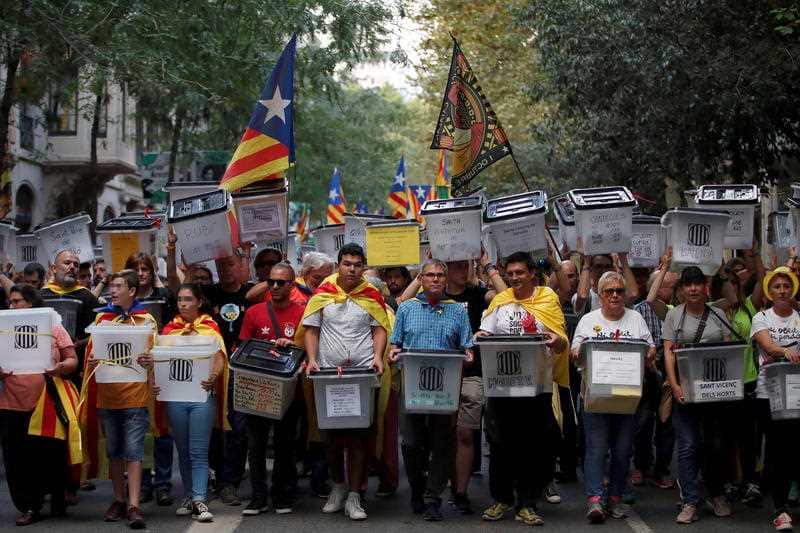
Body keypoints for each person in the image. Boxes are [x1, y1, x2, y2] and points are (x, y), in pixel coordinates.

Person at [476, 251, 570, 526]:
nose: (515, 278)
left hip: (536, 386)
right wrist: (481, 335)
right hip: (502, 386)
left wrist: (556, 340)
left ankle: (527, 504)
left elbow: (561, 340)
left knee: (533, 446)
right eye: (510, 274)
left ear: (531, 273)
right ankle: (501, 499)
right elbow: (484, 332)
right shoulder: (500, 301)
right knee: (500, 444)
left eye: (520, 273)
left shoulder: (547, 298)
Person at [299, 243, 390, 521]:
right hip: (328, 375)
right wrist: (311, 359)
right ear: (339, 265)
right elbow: (311, 330)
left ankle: (354, 495)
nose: (352, 269)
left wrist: (378, 357)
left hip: (362, 374)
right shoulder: (323, 294)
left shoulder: (371, 294)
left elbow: (379, 329)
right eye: (347, 264)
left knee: (359, 437)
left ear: (363, 267)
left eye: (357, 264)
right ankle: (337, 487)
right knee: (332, 437)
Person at [389, 259, 474, 521]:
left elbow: (467, 346)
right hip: (413, 386)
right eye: (430, 275)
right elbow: (395, 343)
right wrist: (393, 353)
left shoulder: (457, 310)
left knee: (442, 443)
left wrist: (468, 355)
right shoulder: (407, 308)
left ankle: (432, 497)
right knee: (411, 442)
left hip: (444, 388)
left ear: (446, 280)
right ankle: (417, 488)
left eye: (440, 275)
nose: (435, 279)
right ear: (421, 280)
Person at [572, 271, 656, 523]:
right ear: (600, 295)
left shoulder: (636, 319)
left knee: (622, 451)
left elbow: (651, 348)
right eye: (609, 291)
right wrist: (579, 352)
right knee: (596, 449)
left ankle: (616, 498)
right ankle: (595, 500)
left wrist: (649, 354)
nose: (615, 295)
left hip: (627, 397)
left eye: (619, 291)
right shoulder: (588, 320)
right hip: (595, 397)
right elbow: (575, 352)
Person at [81, 270, 158, 529]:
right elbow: (92, 355)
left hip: (135, 396)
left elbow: (154, 354)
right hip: (108, 395)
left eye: (118, 286)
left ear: (132, 291)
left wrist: (149, 359)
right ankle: (118, 499)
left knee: (134, 452)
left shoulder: (145, 319)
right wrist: (92, 360)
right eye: (111, 286)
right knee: (114, 451)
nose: (112, 291)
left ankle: (134, 505)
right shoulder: (102, 319)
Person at [663, 266, 737, 524]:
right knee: (688, 445)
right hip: (686, 392)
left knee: (715, 445)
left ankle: (716, 494)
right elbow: (669, 352)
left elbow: (729, 349)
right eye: (688, 284)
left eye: (697, 284)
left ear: (705, 288)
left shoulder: (718, 314)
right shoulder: (674, 316)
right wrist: (674, 385)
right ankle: (690, 501)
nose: (693, 289)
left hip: (714, 391)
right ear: (682, 289)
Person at [0, 284, 79, 526]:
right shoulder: (3, 328)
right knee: (16, 459)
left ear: (31, 302)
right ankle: (29, 506)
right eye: (10, 301)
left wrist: (60, 368)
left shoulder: (52, 326)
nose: (12, 306)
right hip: (12, 402)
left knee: (48, 455)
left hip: (47, 402)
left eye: (17, 301)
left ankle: (57, 496)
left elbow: (72, 359)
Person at [154, 283, 229, 523]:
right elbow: (160, 362)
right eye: (179, 299)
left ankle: (199, 499)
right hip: (176, 398)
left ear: (199, 302)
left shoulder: (210, 327)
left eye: (188, 299)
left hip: (202, 397)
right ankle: (189, 495)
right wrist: (154, 378)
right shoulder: (170, 330)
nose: (183, 304)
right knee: (183, 450)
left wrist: (213, 377)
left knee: (198, 450)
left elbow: (220, 357)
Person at [239, 263, 306, 516]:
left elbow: (310, 348)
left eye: (281, 282)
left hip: (289, 389)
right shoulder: (254, 312)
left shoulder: (302, 312)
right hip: (257, 387)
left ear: (292, 285)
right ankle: (258, 497)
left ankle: (282, 494)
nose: (275, 286)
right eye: (271, 282)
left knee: (285, 444)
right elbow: (243, 348)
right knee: (255, 445)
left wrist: (292, 346)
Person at [750, 267, 800, 531]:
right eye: (777, 287)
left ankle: (787, 495)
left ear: (793, 290)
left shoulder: (799, 317)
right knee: (777, 449)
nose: (782, 291)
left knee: (794, 449)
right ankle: (780, 510)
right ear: (769, 292)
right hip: (769, 393)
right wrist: (785, 351)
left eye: (786, 286)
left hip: (797, 392)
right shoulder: (761, 318)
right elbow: (768, 346)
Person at [124, 252, 176, 505]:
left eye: (145, 268)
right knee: (139, 430)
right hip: (132, 373)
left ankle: (163, 484)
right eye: (136, 269)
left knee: (162, 430)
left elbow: (172, 326)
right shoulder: (125, 300)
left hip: (160, 369)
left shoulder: (163, 296)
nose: (141, 273)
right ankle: (142, 483)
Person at [631, 251, 678, 489]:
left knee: (667, 425)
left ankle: (662, 469)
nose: (672, 290)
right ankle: (641, 466)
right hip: (646, 374)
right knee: (641, 423)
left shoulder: (676, 311)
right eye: (668, 286)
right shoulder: (639, 311)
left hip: (670, 374)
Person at [574, 253, 639, 315]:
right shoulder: (587, 297)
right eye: (598, 266)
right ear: (590, 270)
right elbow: (582, 296)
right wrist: (586, 263)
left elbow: (633, 294)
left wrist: (624, 261)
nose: (603, 270)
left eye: (607, 266)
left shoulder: (618, 294)